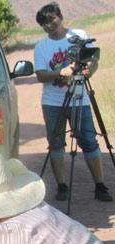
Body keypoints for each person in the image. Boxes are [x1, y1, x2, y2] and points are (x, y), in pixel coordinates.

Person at [33, 2, 112, 202]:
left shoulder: (79, 36)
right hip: (53, 102)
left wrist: (89, 71)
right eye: (44, 24)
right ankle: (61, 186)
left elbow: (93, 59)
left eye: (52, 20)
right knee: (56, 143)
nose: (49, 25)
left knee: (89, 141)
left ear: (60, 16)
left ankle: (100, 186)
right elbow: (41, 75)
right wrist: (62, 72)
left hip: (81, 99)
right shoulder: (41, 47)